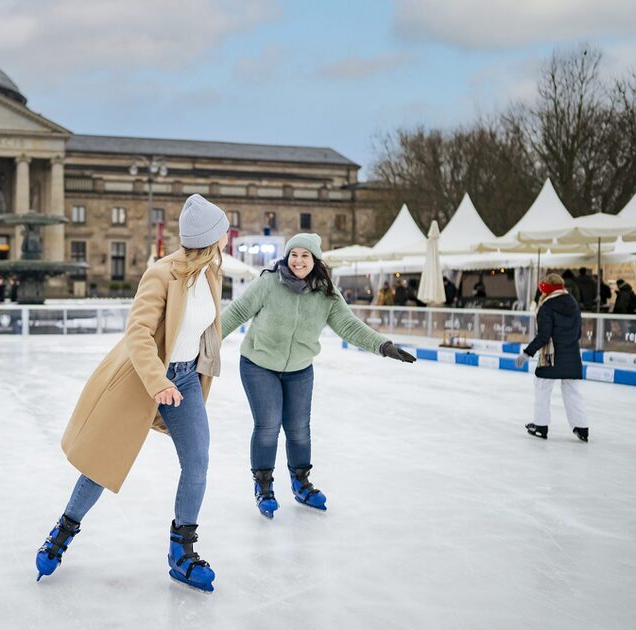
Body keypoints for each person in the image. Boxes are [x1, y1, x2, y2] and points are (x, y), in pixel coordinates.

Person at [35, 194, 230, 593]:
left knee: (198, 461)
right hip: (144, 378)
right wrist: (158, 381)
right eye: (223, 231)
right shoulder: (162, 273)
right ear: (212, 236)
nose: (227, 237)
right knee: (103, 462)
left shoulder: (212, 272)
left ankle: (182, 554)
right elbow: (139, 333)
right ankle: (63, 531)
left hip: (186, 379)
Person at [221, 233, 416, 520]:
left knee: (299, 428)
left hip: (299, 368)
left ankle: (301, 482)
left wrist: (383, 346)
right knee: (268, 426)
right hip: (259, 364)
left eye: (305, 255)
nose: (298, 261)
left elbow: (349, 325)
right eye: (294, 254)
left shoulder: (326, 294)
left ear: (315, 260)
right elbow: (237, 311)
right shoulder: (268, 282)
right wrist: (206, 344)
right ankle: (264, 486)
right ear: (287, 256)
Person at [515, 274, 588, 442]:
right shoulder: (573, 302)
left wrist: (527, 353)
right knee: (572, 391)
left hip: (551, 356)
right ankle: (582, 428)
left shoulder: (546, 305)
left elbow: (544, 335)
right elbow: (578, 333)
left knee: (542, 388)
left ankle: (540, 426)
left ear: (545, 289)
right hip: (572, 354)